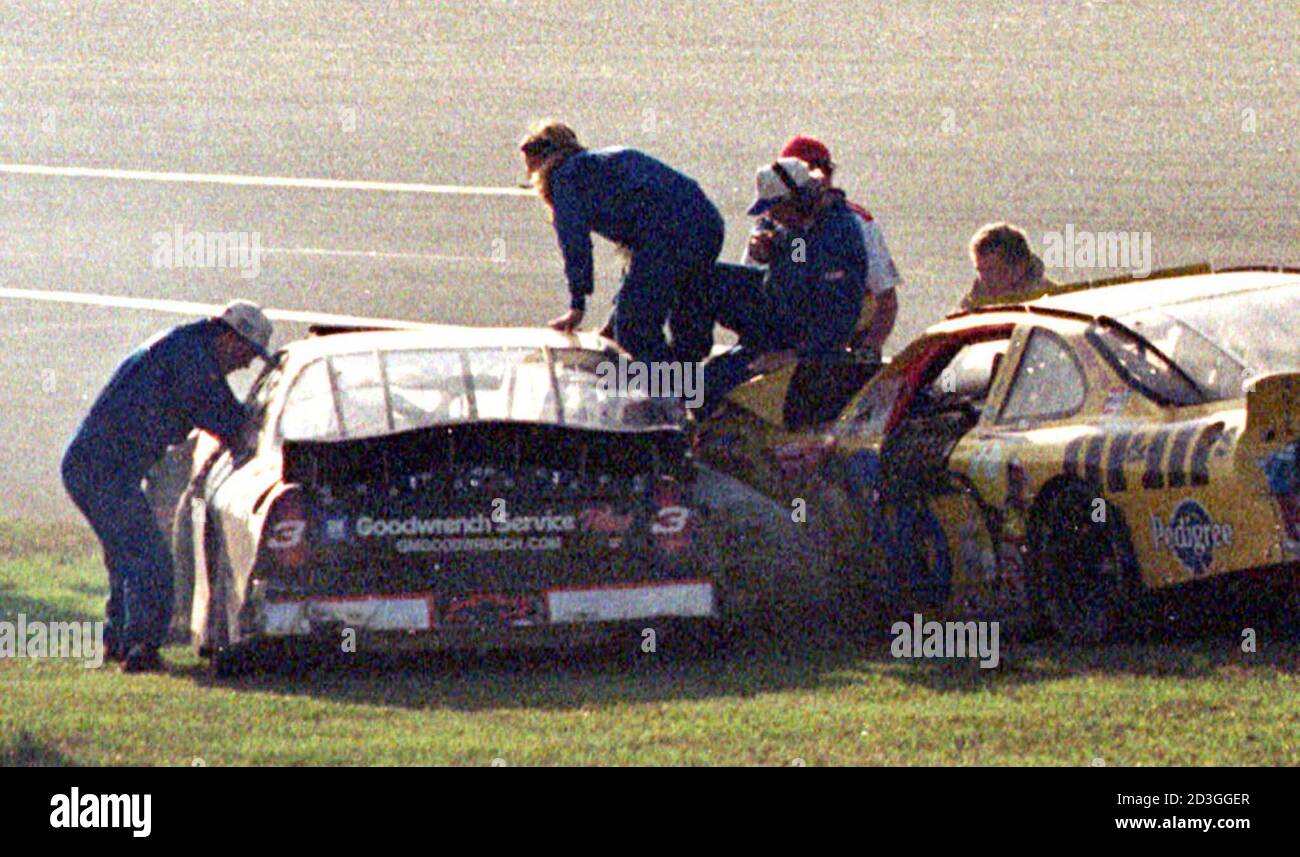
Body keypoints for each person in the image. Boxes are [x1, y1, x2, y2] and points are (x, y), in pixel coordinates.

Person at [61, 300, 272, 673]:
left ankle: (118, 639)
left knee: (125, 555)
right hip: (102, 470)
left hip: (95, 466)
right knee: (150, 560)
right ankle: (141, 649)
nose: (245, 364)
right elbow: (229, 421)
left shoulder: (187, 347)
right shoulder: (193, 361)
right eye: (246, 353)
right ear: (228, 336)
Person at [520, 121, 725, 366]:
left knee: (633, 329)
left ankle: (669, 394)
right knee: (673, 322)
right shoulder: (595, 166)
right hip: (705, 226)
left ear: (540, 159)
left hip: (672, 236)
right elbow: (636, 253)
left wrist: (577, 305)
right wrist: (611, 324)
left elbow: (575, 244)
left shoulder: (564, 177)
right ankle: (689, 383)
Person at [702, 158, 868, 412]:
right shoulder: (800, 226)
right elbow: (799, 259)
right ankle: (686, 356)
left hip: (808, 347)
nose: (771, 216)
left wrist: (793, 355)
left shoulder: (838, 235)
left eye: (775, 208)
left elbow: (839, 319)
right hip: (780, 319)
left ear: (797, 199)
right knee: (704, 280)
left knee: (710, 384)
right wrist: (773, 245)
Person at [743, 135, 901, 355]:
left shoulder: (855, 224)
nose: (822, 178)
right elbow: (755, 286)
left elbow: (886, 299)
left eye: (825, 170)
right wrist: (766, 256)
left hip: (845, 313)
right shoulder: (782, 225)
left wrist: (869, 348)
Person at [958, 222, 1057, 311]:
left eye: (991, 270)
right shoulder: (970, 307)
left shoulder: (1053, 304)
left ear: (1019, 268)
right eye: (980, 271)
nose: (984, 279)